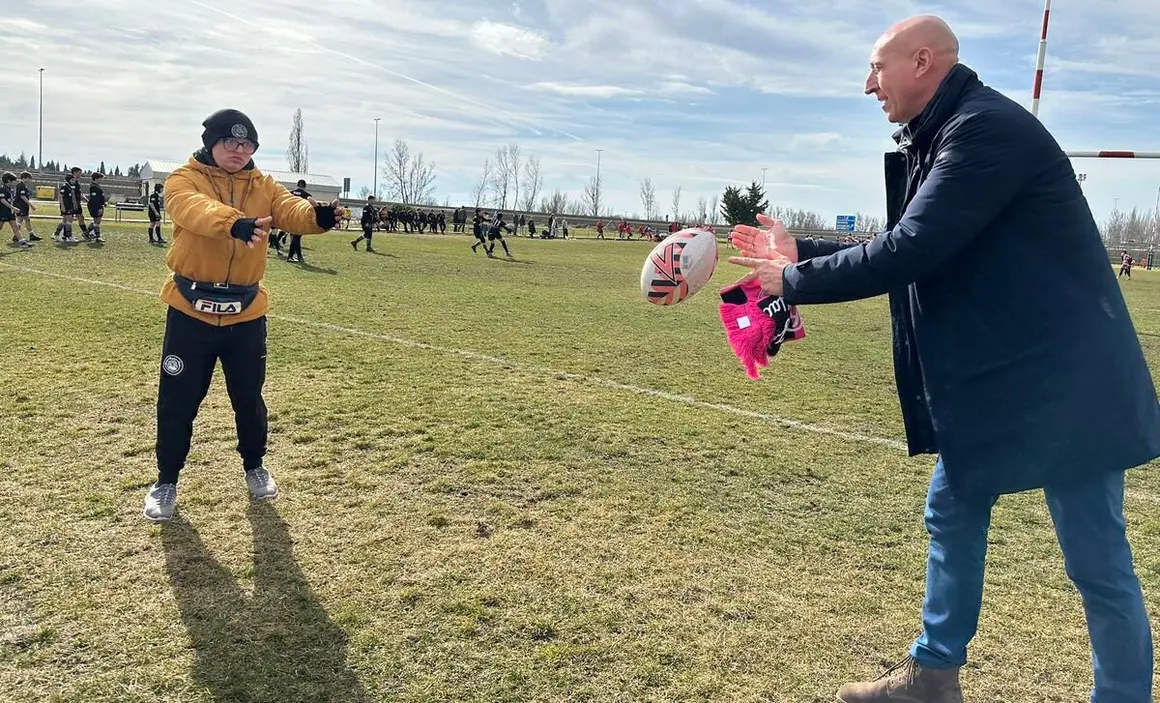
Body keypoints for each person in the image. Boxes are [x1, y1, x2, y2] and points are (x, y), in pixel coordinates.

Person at [730, 16, 1158, 703]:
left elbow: (913, 249)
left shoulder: (982, 132)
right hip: (1017, 383)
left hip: (1072, 388)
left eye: (877, 67)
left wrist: (796, 283)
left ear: (922, 62)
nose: (868, 84)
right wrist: (801, 257)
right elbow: (908, 239)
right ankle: (932, 675)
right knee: (954, 505)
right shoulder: (944, 136)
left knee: (1097, 560)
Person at [143, 108, 342, 522]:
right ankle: (166, 481)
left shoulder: (263, 184)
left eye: (247, 143)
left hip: (246, 313)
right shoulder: (185, 178)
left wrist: (316, 217)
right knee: (178, 401)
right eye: (230, 142)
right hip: (190, 311)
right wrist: (233, 222)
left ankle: (254, 466)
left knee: (249, 398)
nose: (238, 150)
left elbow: (288, 209)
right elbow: (189, 207)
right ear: (211, 143)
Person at [0, 172, 31, 248]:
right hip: (2, 212)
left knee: (15, 227)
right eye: (14, 181)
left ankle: (22, 242)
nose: (15, 182)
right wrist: (13, 208)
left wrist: (12, 209)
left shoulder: (10, 189)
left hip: (10, 212)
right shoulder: (3, 189)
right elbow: (2, 200)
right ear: (9, 181)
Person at [286, 179, 311, 264]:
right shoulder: (306, 195)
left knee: (294, 237)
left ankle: (295, 256)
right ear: (304, 186)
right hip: (299, 218)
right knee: (296, 237)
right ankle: (294, 256)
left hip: (289, 217)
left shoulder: (290, 193)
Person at [14, 171, 39, 242]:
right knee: (21, 220)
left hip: (23, 206)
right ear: (23, 178)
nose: (30, 180)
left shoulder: (23, 186)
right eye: (28, 178)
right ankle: (17, 236)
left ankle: (29, 235)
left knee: (23, 220)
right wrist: (31, 205)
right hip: (20, 206)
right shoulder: (20, 185)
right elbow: (22, 197)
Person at [84, 172, 107, 243]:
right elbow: (95, 199)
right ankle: (96, 236)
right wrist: (99, 208)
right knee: (97, 221)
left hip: (98, 206)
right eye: (100, 178)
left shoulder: (97, 186)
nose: (101, 180)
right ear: (96, 178)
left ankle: (87, 234)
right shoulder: (93, 187)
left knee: (96, 222)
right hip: (95, 206)